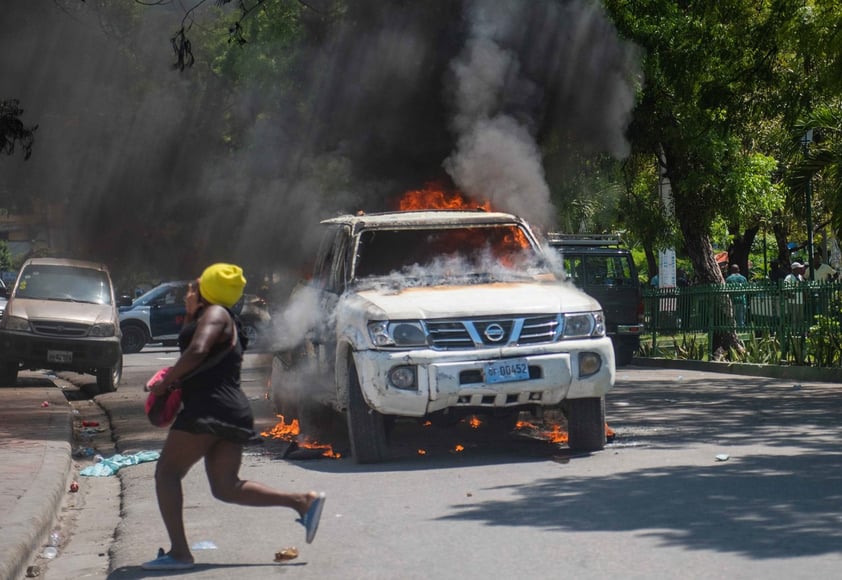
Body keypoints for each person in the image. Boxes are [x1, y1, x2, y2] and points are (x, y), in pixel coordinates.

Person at [142, 263, 326, 571]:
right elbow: (195, 346)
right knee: (226, 487)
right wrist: (190, 313)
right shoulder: (215, 316)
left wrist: (167, 381)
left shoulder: (215, 315)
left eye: (196, 285)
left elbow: (198, 350)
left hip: (208, 408)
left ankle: (180, 553)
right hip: (229, 410)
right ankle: (302, 502)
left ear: (209, 290)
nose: (190, 289)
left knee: (167, 473)